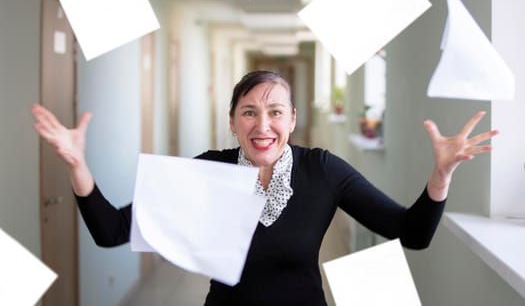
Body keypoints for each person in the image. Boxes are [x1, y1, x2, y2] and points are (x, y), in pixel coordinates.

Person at [32, 70, 498, 306]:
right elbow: (111, 230)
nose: (263, 124)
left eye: (276, 111)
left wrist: (441, 176)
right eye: (249, 111)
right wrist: (77, 165)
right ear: (232, 122)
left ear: (292, 121)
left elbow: (411, 232)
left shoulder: (323, 171)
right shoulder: (208, 171)